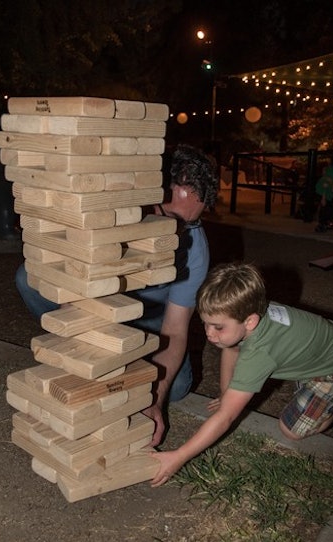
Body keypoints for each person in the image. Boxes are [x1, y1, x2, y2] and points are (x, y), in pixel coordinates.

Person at [15, 144, 219, 446]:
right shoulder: (108, 222)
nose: (178, 233)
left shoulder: (194, 248)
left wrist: (154, 401)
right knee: (29, 277)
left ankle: (136, 362)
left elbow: (175, 330)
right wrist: (86, 364)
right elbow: (73, 297)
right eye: (171, 219)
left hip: (153, 323)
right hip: (98, 309)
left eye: (189, 223)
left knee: (175, 389)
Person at [151, 261, 333, 487]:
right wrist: (226, 394)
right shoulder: (249, 313)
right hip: (329, 347)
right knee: (237, 355)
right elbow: (232, 348)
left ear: (250, 321)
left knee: (292, 430)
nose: (209, 334)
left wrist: (179, 456)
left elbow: (226, 417)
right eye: (204, 323)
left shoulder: (259, 353)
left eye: (217, 327)